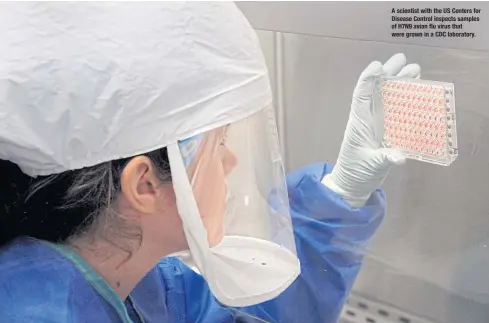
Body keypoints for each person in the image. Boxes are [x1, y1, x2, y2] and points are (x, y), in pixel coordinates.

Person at [0, 2, 421, 323]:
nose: (233, 161)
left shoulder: (132, 279)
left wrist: (340, 194)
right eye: (219, 145)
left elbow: (243, 312)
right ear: (144, 184)